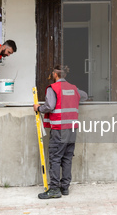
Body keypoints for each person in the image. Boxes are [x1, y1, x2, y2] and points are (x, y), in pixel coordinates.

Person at [33, 65, 87, 199]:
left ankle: (54, 189)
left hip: (59, 130)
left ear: (55, 75)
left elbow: (49, 106)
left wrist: (38, 108)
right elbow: (84, 96)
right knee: (67, 158)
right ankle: (65, 188)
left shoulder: (53, 88)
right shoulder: (73, 88)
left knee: (55, 158)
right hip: (72, 129)